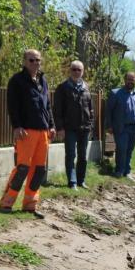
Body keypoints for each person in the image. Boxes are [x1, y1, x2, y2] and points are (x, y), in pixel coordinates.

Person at [0, 49, 56, 218]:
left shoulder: (43, 80)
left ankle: (30, 205)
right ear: (24, 61)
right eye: (31, 60)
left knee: (39, 170)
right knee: (23, 167)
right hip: (26, 132)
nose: (35, 63)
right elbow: (12, 106)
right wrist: (16, 126)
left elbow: (47, 106)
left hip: (43, 132)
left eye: (37, 60)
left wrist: (51, 125)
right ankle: (6, 203)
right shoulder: (17, 80)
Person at [53, 61, 94, 189]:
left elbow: (91, 108)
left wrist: (91, 124)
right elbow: (57, 110)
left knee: (83, 156)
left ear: (83, 72)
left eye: (79, 70)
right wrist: (60, 128)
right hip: (69, 128)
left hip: (84, 128)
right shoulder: (62, 88)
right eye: (74, 69)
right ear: (70, 71)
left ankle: (81, 181)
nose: (76, 72)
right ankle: (72, 182)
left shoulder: (86, 87)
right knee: (71, 155)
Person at [105, 72, 135, 178]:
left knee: (129, 150)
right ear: (124, 80)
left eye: (132, 80)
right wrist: (109, 125)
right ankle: (119, 170)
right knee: (121, 148)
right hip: (121, 127)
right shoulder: (115, 93)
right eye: (128, 79)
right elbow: (109, 111)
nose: (130, 82)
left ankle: (127, 171)